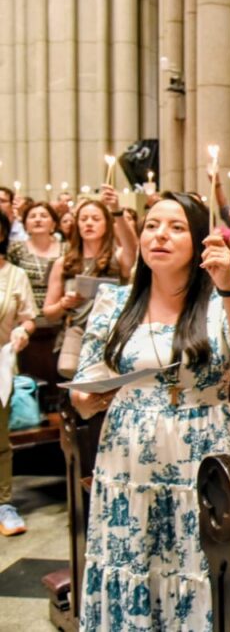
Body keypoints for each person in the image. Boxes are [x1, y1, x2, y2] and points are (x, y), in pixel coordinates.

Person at [69, 193, 230, 629]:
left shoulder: (222, 302)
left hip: (202, 451)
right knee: (135, 555)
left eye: (176, 227)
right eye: (152, 225)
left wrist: (229, 286)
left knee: (196, 561)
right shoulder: (115, 303)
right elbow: (83, 385)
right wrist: (88, 398)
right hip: (129, 458)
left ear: (200, 241)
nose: (160, 234)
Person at [43, 188, 138, 378]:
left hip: (114, 333)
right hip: (77, 334)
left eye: (95, 219)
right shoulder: (64, 263)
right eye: (84, 219)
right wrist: (64, 304)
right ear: (77, 224)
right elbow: (48, 313)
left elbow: (132, 248)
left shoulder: (117, 258)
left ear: (107, 224)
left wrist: (117, 211)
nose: (89, 223)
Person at [0, 211, 38, 536]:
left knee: (0, 437)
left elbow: (28, 317)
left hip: (0, 362)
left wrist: (23, 331)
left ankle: (3, 503)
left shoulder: (15, 275)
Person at [8, 202, 64, 323]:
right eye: (32, 216)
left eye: (43, 216)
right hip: (24, 320)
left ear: (53, 224)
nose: (38, 220)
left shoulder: (67, 250)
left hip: (60, 317)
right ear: (25, 225)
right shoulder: (15, 249)